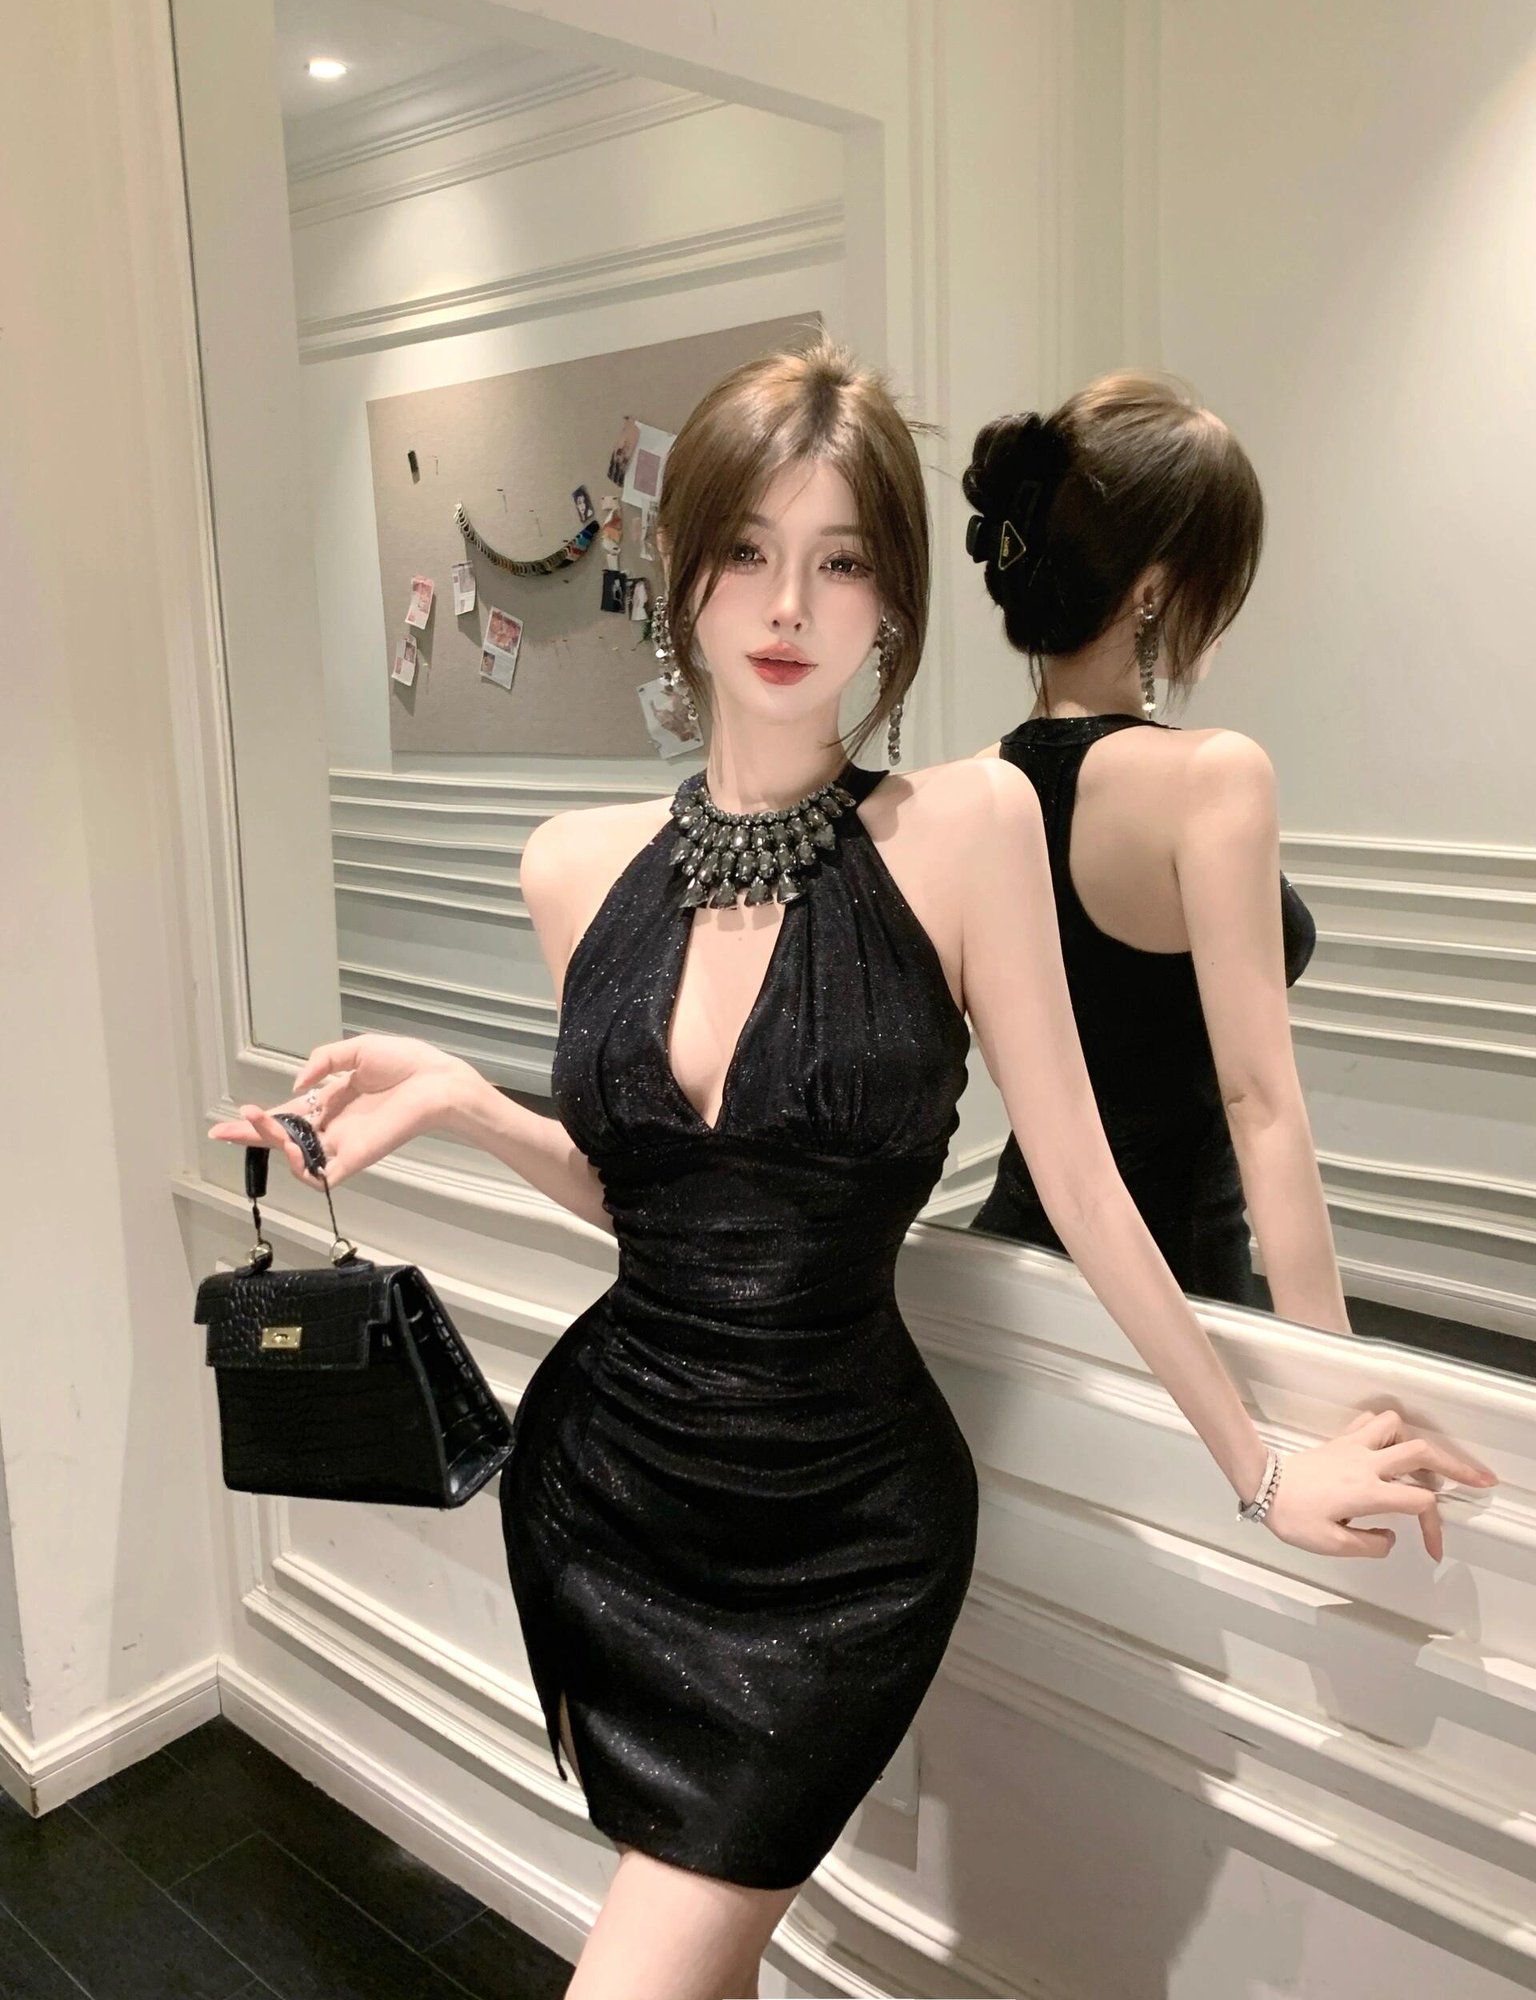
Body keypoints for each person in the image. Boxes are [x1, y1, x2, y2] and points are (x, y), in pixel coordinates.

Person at [211, 341, 1492, 2000]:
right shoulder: (570, 868)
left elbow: (1086, 1184)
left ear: (893, 596)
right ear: (681, 570)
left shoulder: (968, 828)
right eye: (747, 548)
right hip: (608, 1500)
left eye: (839, 559)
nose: (785, 603)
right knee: (713, 1960)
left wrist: (1265, 1459)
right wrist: (466, 1098)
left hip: (843, 1542)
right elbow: (652, 1206)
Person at [964, 375, 1351, 1329]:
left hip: (1017, 1270)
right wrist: (1339, 1372)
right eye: (1221, 577)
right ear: (1158, 588)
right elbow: (1258, 1102)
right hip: (1178, 1283)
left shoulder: (968, 788)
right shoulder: (1212, 777)